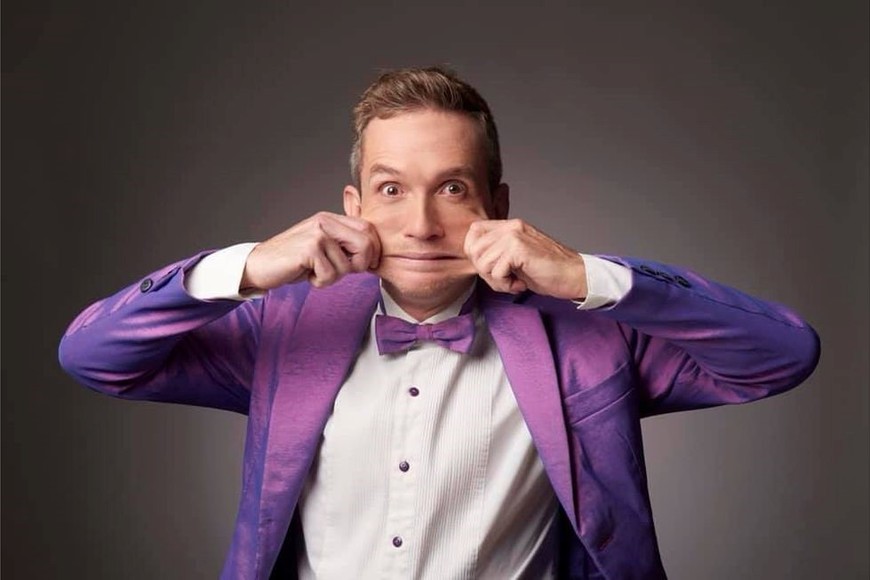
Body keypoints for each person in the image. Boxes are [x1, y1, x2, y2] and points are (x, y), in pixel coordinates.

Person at [58, 66, 820, 580]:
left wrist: (588, 276)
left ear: (498, 204)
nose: (421, 225)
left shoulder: (589, 339)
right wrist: (249, 267)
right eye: (391, 189)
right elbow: (95, 356)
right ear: (354, 207)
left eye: (452, 188)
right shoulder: (283, 331)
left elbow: (782, 353)